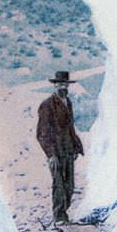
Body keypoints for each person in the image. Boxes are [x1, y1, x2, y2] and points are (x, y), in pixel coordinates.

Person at [36, 70, 84, 223]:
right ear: (54, 86)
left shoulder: (67, 102)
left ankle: (64, 213)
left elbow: (70, 128)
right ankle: (59, 217)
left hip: (68, 151)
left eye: (65, 85)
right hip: (56, 153)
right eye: (60, 85)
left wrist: (76, 147)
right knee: (59, 185)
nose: (63, 88)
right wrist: (51, 155)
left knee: (69, 186)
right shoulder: (46, 105)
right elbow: (42, 133)